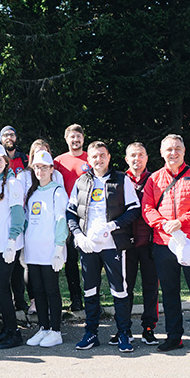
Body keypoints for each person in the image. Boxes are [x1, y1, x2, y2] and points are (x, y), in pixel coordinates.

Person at [141, 134, 190, 353]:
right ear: (162, 153)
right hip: (164, 243)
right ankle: (174, 337)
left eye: (177, 149)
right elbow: (147, 208)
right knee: (169, 292)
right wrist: (163, 224)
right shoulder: (154, 179)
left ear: (184, 151)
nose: (173, 153)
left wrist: (181, 222)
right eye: (169, 149)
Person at [67, 142, 141, 353]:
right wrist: (78, 235)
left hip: (113, 245)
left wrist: (112, 226)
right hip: (88, 246)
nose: (98, 159)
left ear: (108, 157)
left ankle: (124, 333)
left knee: (119, 290)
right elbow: (71, 211)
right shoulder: (81, 181)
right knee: (90, 290)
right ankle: (91, 333)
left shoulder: (122, 179)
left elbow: (134, 209)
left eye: (102, 155)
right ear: (88, 160)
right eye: (94, 156)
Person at [23, 151, 67, 348]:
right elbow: (27, 221)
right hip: (33, 250)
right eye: (37, 167)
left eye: (44, 167)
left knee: (51, 290)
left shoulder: (57, 191)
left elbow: (61, 220)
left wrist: (59, 248)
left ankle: (56, 331)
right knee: (38, 291)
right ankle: (44, 327)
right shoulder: (32, 192)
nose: (40, 171)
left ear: (51, 169)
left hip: (50, 250)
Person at [0, 144, 26, 349]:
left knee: (0, 286)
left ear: (5, 161)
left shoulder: (13, 183)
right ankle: (7, 329)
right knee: (0, 289)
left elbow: (18, 214)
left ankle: (15, 332)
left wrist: (12, 241)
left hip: (8, 244)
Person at [124, 142, 161, 346]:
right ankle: (124, 328)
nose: (136, 159)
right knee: (124, 287)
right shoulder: (120, 180)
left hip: (150, 243)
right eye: (133, 155)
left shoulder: (155, 179)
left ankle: (149, 328)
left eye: (140, 155)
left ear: (147, 158)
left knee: (151, 288)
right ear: (126, 159)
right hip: (126, 244)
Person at [53, 124, 89, 313]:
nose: (75, 140)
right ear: (66, 139)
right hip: (67, 215)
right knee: (71, 259)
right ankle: (76, 298)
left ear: (83, 138)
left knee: (89, 258)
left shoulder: (91, 158)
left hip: (88, 214)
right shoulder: (58, 161)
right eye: (72, 137)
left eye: (78, 136)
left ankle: (92, 297)